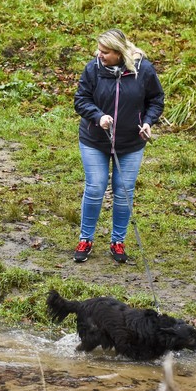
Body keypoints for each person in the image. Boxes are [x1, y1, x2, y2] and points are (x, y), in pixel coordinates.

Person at [72, 28, 164, 263]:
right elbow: (81, 99)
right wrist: (97, 116)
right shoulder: (93, 69)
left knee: (123, 193)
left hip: (131, 143)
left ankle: (118, 242)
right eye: (99, 50)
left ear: (120, 52)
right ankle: (86, 239)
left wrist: (148, 122)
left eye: (105, 52)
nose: (99, 55)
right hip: (95, 140)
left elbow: (155, 100)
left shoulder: (143, 70)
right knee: (95, 188)